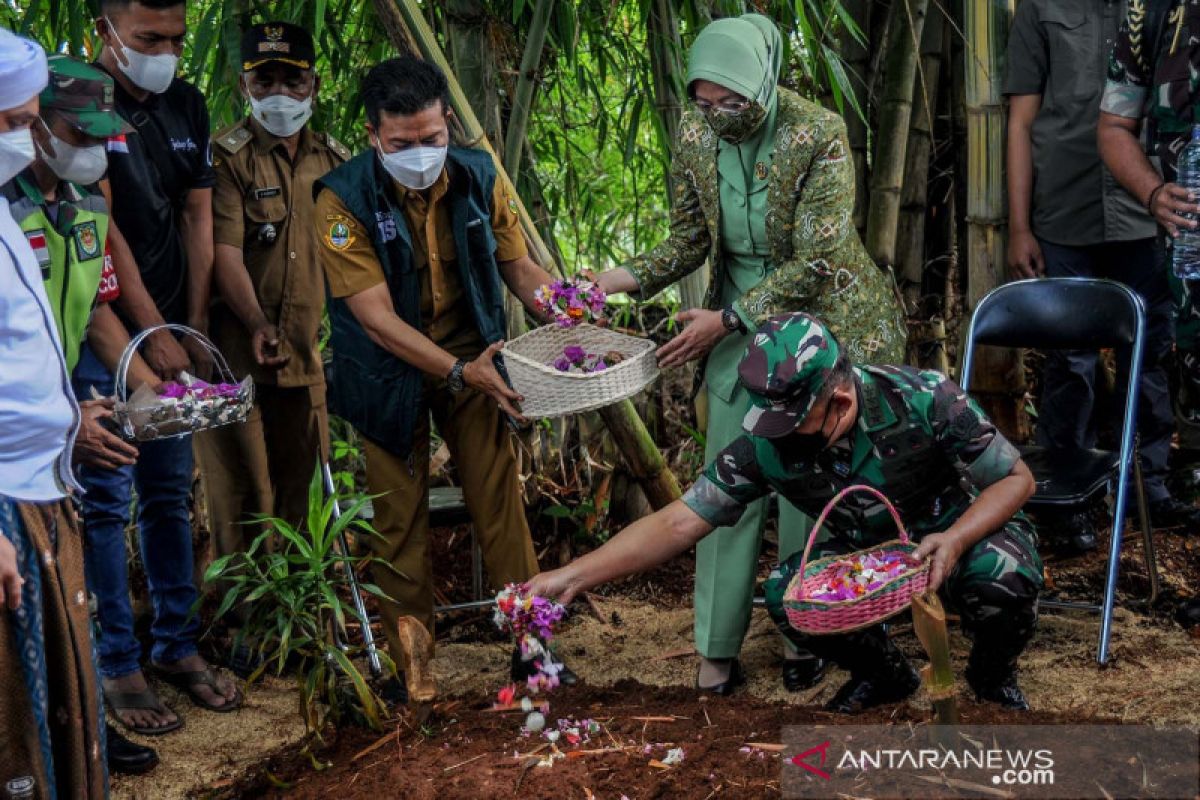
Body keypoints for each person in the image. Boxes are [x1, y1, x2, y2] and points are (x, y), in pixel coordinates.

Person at [591, 13, 907, 695]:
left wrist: (729, 317)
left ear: (762, 80)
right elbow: (688, 240)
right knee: (726, 480)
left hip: (820, 318)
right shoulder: (695, 131)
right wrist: (618, 279)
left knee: (810, 487)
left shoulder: (817, 130)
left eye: (732, 103)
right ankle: (716, 646)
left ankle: (810, 632)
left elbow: (819, 257)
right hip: (734, 324)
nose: (718, 117)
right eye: (706, 104)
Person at [530, 313, 1042, 712]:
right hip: (861, 556)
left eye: (793, 423)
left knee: (1005, 575)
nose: (777, 437)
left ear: (840, 403)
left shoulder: (923, 397)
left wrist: (953, 540)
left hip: (952, 532)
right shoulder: (768, 444)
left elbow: (1017, 480)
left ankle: (991, 676)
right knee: (786, 593)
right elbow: (680, 521)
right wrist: (574, 576)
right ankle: (885, 676)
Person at [314, 56, 573, 700]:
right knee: (397, 524)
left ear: (448, 122)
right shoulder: (339, 199)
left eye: (431, 138)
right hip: (387, 373)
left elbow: (522, 272)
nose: (421, 153)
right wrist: (462, 372)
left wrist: (573, 314)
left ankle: (533, 648)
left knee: (501, 507)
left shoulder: (481, 176)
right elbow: (374, 318)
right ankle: (415, 669)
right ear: (374, 136)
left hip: (477, 362)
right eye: (402, 144)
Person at [74, 0, 241, 736]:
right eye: (149, 38)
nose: (166, 51)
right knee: (107, 499)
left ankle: (176, 642)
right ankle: (117, 663)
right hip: (101, 323)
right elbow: (99, 228)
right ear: (103, 32)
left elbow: (196, 213)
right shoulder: (75, 101)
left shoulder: (186, 103)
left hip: (169, 318)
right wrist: (150, 333)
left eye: (175, 37)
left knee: (169, 493)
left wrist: (192, 327)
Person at [6, 52, 163, 776]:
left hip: (69, 397)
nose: (92, 149)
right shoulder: (8, 208)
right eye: (77, 131)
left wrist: (148, 382)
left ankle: (88, 716)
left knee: (89, 536)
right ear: (38, 128)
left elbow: (99, 309)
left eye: (103, 136)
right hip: (29, 419)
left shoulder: (87, 204)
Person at [1004, 0, 1197, 549]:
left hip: (1150, 210)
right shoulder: (1040, 9)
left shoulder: (1161, 8)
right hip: (1065, 212)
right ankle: (1070, 498)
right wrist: (1020, 225)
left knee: (1153, 353)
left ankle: (1148, 485)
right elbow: (1021, 121)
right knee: (1070, 361)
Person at [196, 21, 348, 673]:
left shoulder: (336, 161)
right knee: (242, 494)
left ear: (314, 83)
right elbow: (223, 254)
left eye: (293, 78)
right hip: (234, 358)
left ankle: (305, 621)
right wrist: (257, 322)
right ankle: (245, 630)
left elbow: (349, 254)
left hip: (307, 358)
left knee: (303, 490)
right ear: (244, 85)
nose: (279, 91)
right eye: (266, 79)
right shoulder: (227, 157)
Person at [0, 28, 108, 799]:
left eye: (26, 121)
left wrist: (71, 415)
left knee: (58, 726)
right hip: (4, 507)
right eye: (8, 122)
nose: (21, 139)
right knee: (18, 741)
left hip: (39, 486)